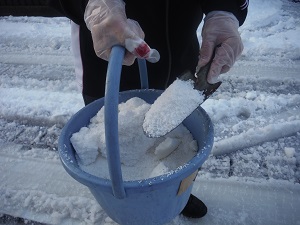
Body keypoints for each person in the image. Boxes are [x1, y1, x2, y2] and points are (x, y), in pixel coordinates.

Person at [0, 0, 248, 219]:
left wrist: (224, 9)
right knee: (111, 126)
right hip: (109, 50)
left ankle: (172, 192)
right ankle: (129, 205)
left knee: (176, 118)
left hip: (179, 49)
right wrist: (92, 4)